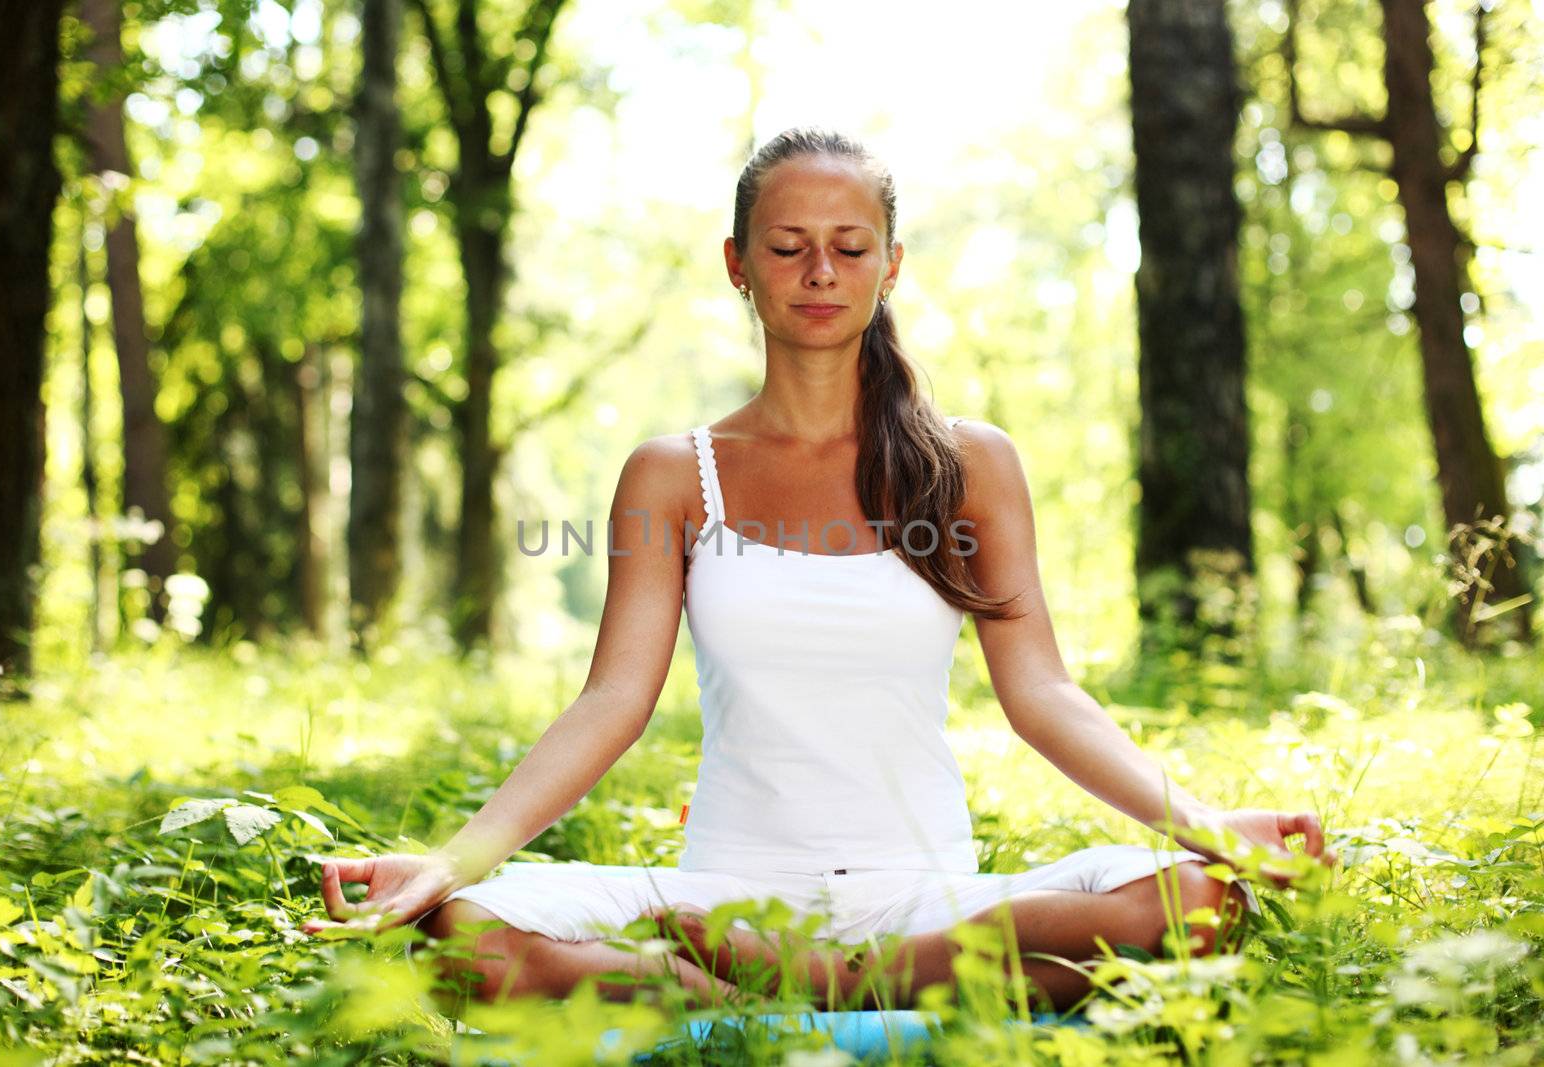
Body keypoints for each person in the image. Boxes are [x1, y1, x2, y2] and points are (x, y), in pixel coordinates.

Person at [304, 126, 1336, 1015]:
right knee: (463, 929)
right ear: (737, 262)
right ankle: (789, 972)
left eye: (849, 247)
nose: (820, 273)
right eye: (789, 247)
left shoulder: (971, 464)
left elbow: (1044, 694)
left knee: (1201, 900)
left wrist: (1205, 826)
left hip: (927, 893)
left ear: (892, 263)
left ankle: (818, 982)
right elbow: (613, 699)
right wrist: (452, 860)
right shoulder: (674, 474)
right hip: (724, 892)